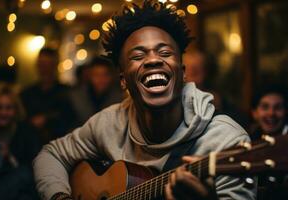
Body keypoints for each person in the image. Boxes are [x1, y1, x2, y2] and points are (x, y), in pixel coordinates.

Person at [33, 1, 255, 200]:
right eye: (138, 56)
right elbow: (50, 154)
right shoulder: (109, 123)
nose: (153, 60)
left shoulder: (225, 141)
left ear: (183, 72)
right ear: (123, 81)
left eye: (165, 52)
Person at [20, 48, 77, 144]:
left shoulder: (67, 93)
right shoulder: (27, 93)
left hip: (58, 146)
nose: (45, 69)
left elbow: (70, 119)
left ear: (55, 66)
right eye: (42, 65)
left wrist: (47, 119)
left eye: (49, 65)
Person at [70, 56, 124, 124]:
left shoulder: (120, 98)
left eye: (105, 75)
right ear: (89, 76)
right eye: (96, 75)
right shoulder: (77, 97)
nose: (101, 79)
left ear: (112, 76)